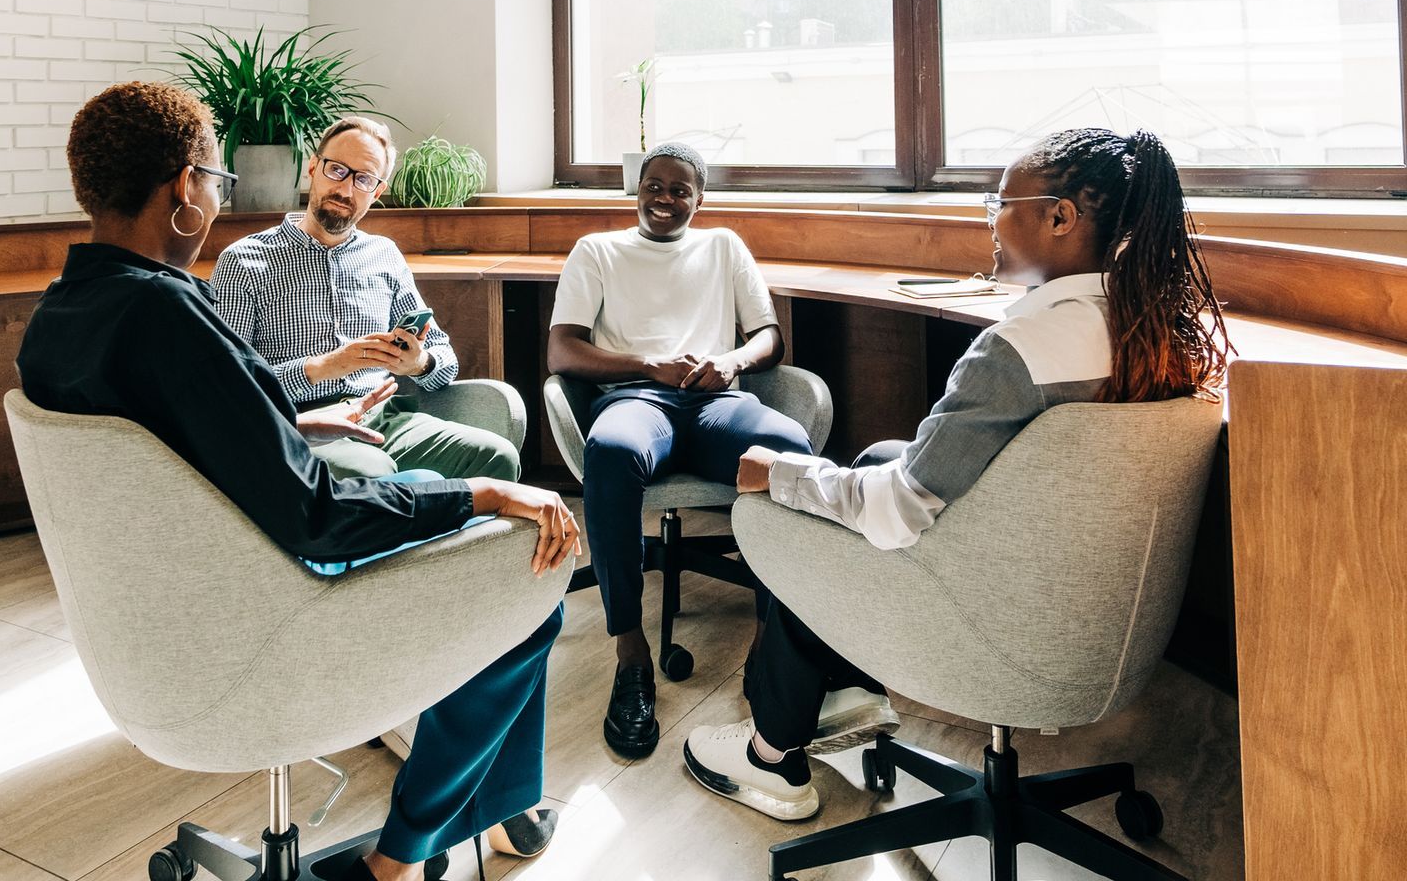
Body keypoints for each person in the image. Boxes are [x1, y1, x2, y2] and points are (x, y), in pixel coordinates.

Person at [16, 82, 574, 881]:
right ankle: (400, 859)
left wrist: (293, 423)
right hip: (268, 615)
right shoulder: (169, 316)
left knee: (434, 492)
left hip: (162, 620)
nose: (216, 197)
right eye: (218, 179)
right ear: (185, 189)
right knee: (527, 570)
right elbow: (321, 514)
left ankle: (493, 811)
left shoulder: (63, 315)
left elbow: (170, 442)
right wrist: (484, 496)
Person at [684, 127, 1232, 821]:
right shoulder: (1161, 331)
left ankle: (770, 755)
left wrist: (784, 477)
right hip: (1096, 616)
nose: (990, 221)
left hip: (1001, 626)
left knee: (791, 501)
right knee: (882, 456)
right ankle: (841, 690)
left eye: (1000, 203)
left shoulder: (1018, 350)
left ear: (1060, 217)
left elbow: (895, 513)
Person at [546, 142, 813, 760]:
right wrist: (650, 366)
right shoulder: (598, 251)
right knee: (609, 450)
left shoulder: (723, 246)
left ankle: (773, 644)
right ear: (636, 191)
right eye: (654, 187)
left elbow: (769, 338)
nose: (665, 199)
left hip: (716, 401)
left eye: (680, 189)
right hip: (639, 401)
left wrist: (730, 361)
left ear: (700, 197)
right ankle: (629, 652)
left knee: (788, 447)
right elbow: (562, 351)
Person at [211, 116, 519, 483]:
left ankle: (453, 539)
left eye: (363, 179)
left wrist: (418, 362)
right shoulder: (244, 260)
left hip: (385, 417)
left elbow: (444, 359)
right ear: (313, 167)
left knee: (496, 457)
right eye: (337, 170)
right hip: (299, 425)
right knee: (367, 472)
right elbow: (228, 384)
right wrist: (323, 367)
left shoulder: (384, 255)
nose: (346, 189)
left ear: (376, 191)